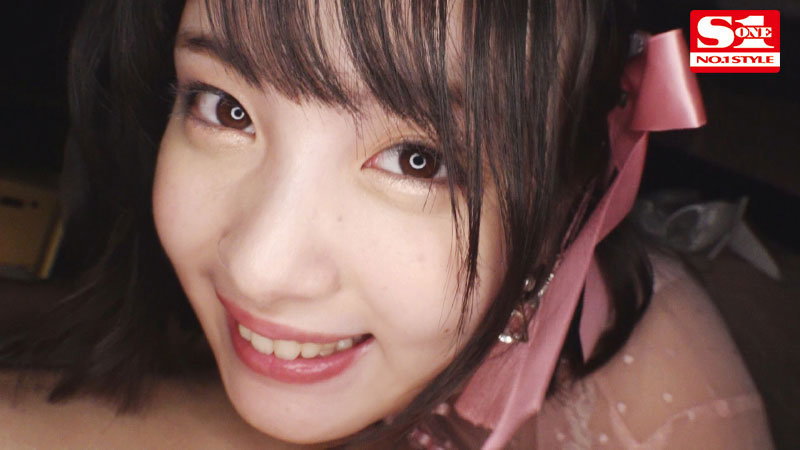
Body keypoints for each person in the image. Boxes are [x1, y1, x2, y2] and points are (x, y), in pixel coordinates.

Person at [0, 0, 773, 448]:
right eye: (225, 108)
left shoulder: (672, 419)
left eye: (417, 160)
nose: (258, 267)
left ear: (569, 194)